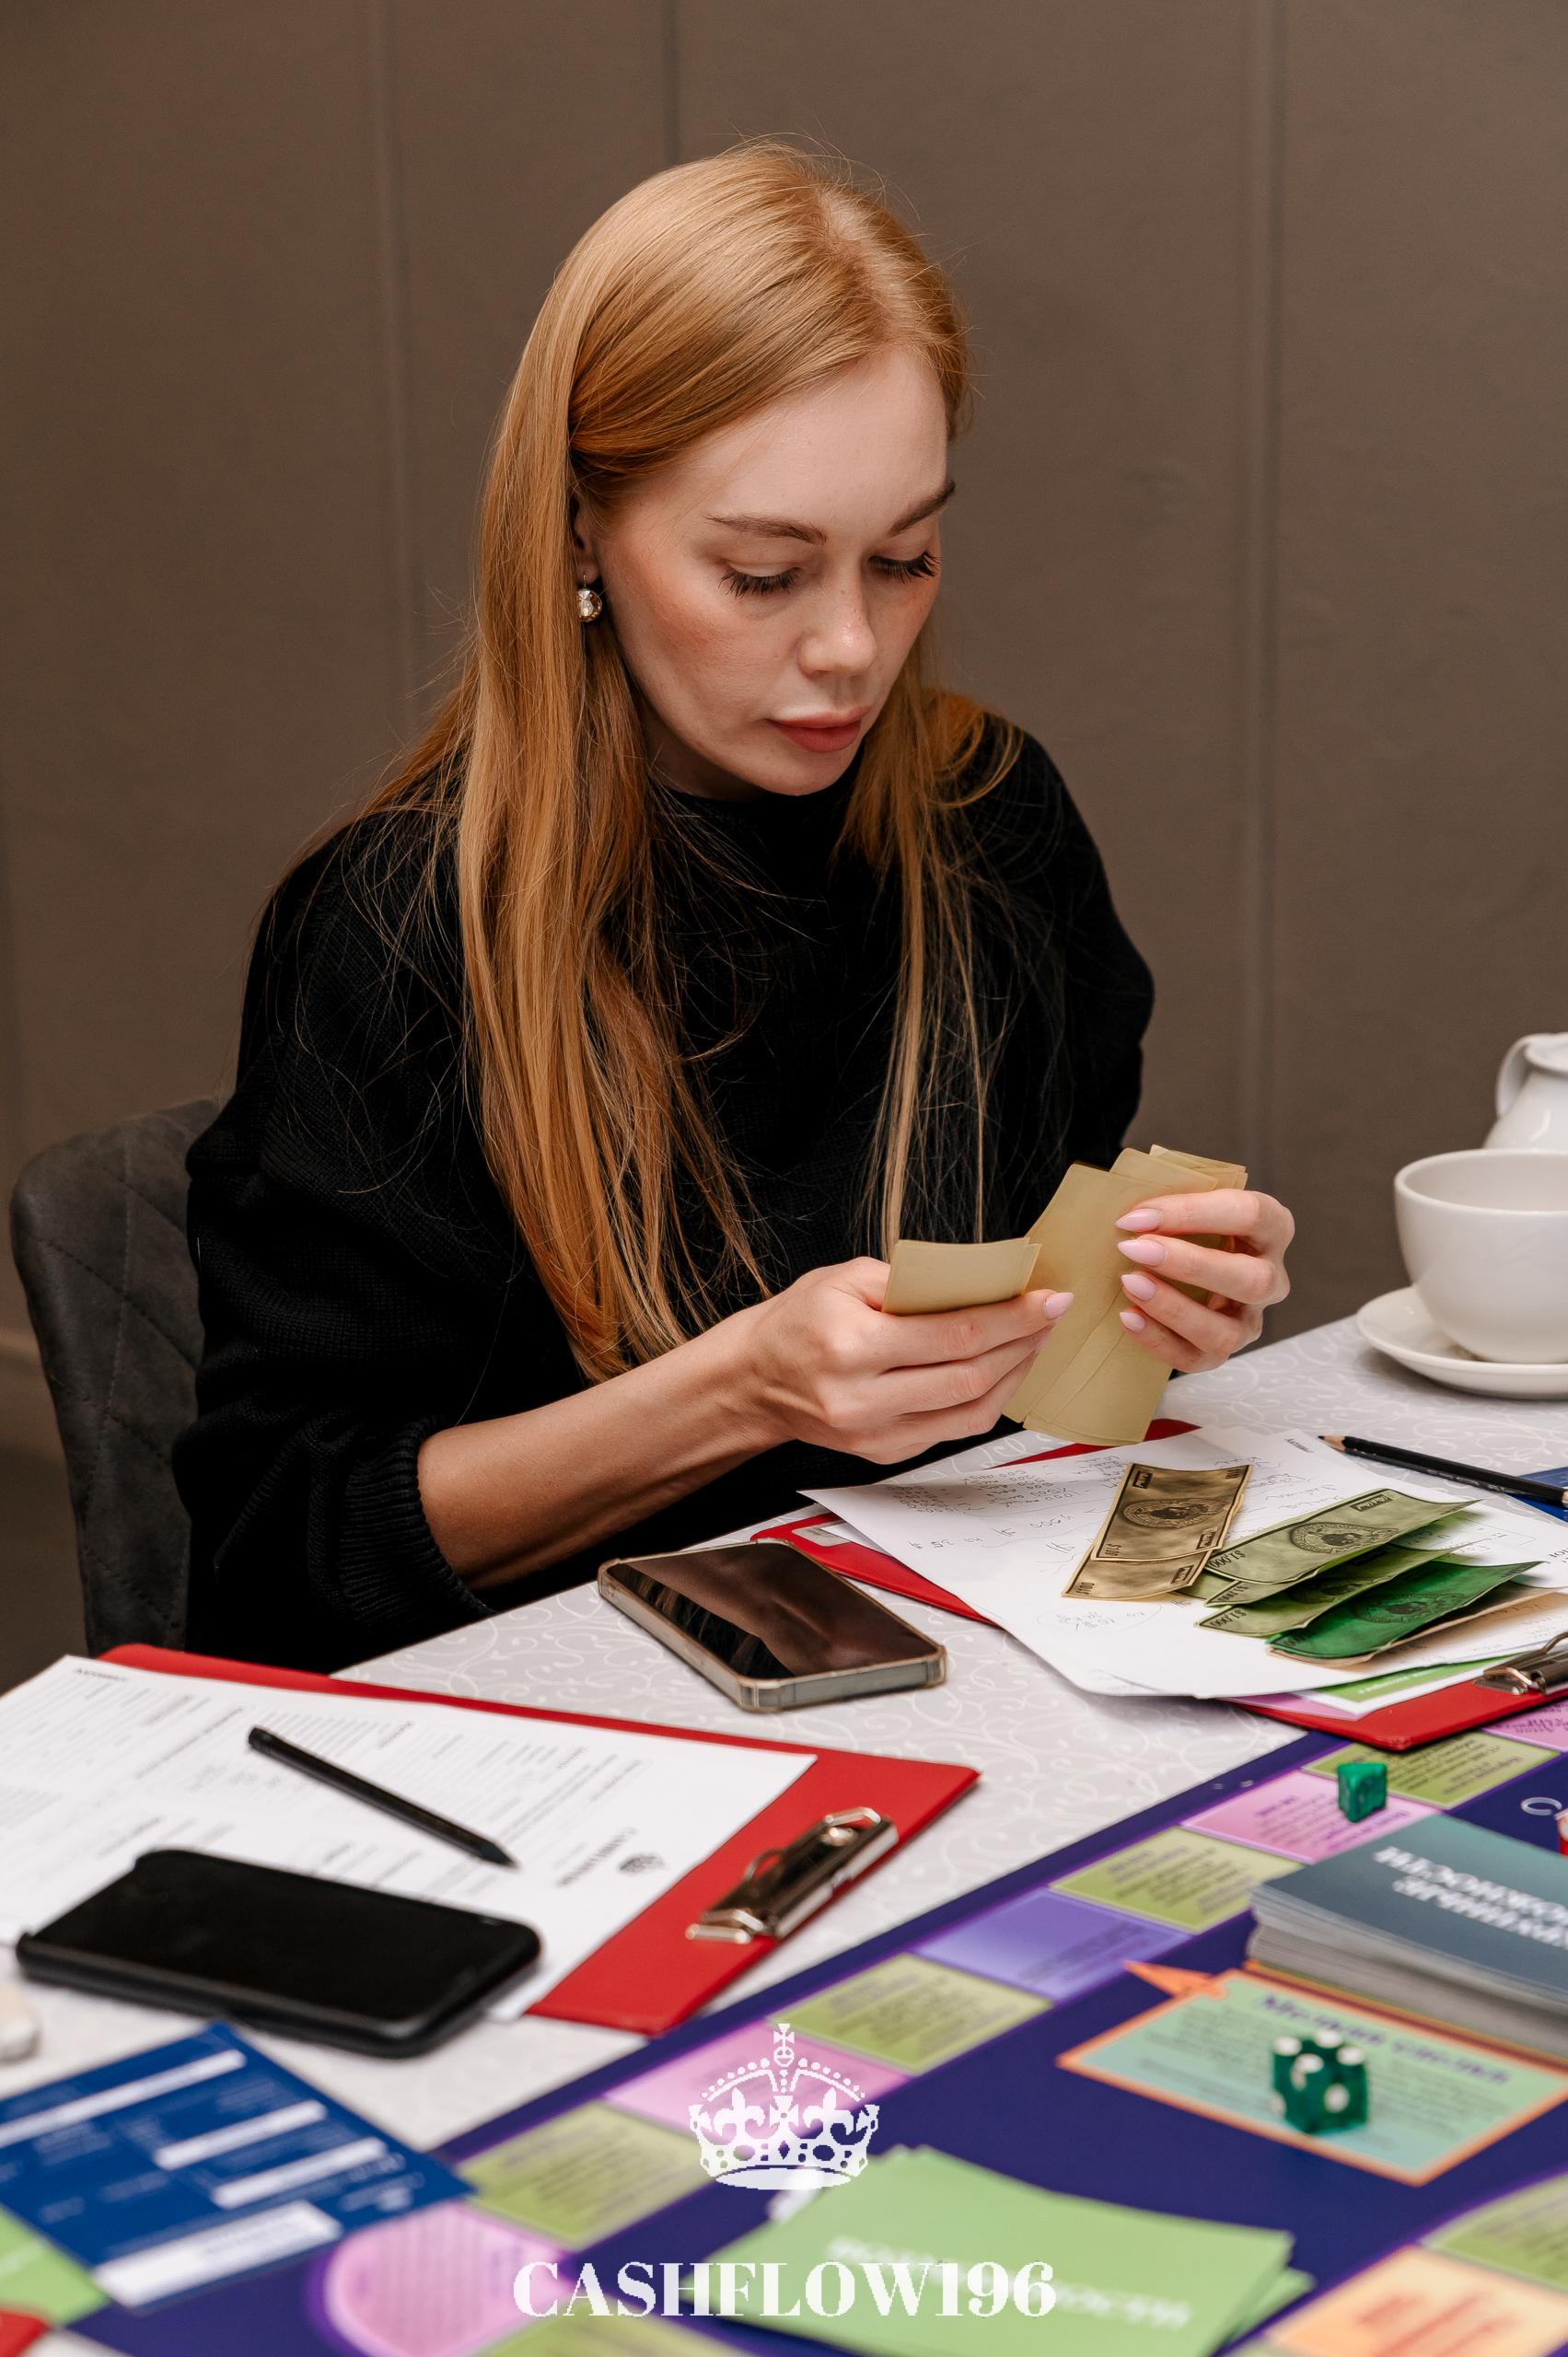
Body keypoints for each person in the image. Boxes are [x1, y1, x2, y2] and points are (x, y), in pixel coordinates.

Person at [174, 141, 1295, 1674]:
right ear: (581, 531)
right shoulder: (400, 928)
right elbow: (279, 1549)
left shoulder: (989, 821)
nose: (852, 648)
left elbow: (1042, 1377)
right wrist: (741, 1390)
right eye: (765, 575)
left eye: (904, 557)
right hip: (561, 1717)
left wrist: (1157, 1311)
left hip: (944, 1666)